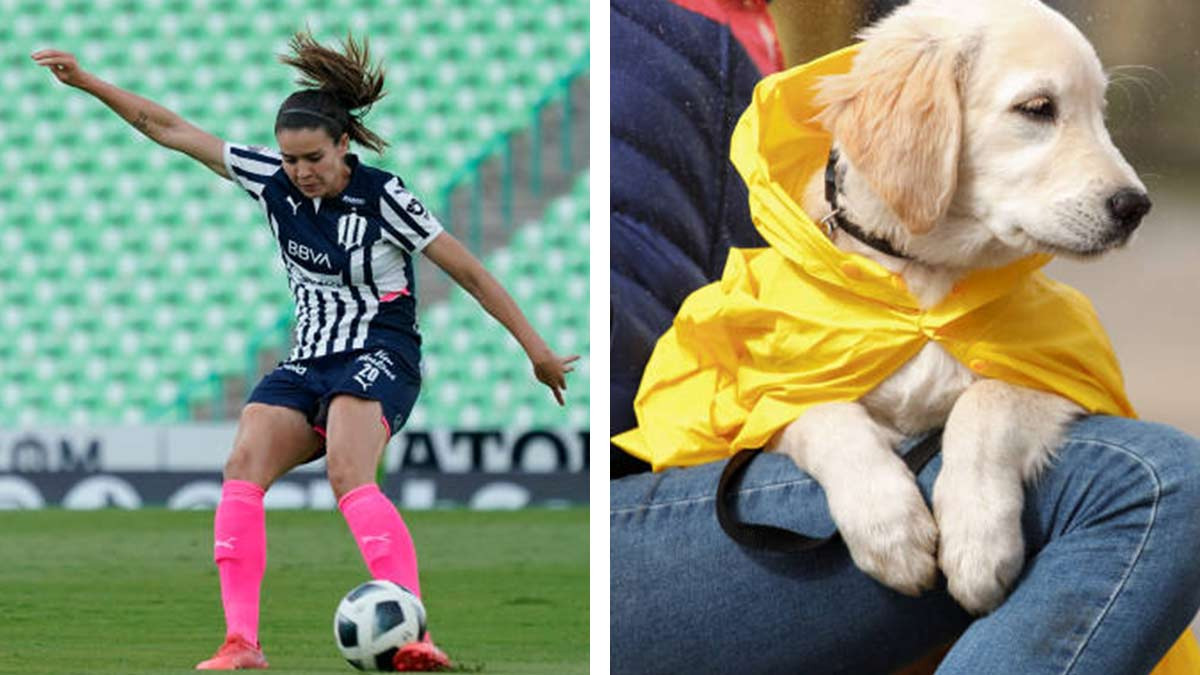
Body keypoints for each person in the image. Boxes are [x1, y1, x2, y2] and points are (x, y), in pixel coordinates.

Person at [608, 1, 1200, 673]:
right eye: (1038, 110)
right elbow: (713, 402)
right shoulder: (657, 44)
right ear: (911, 127)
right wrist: (828, 439)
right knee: (1155, 481)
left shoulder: (735, 40)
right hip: (615, 538)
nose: (1123, 180)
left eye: (1097, 115)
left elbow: (1056, 380)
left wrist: (987, 432)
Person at [34, 31, 578, 671]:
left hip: (381, 351)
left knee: (347, 470)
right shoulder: (271, 181)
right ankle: (242, 644)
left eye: (313, 157)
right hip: (310, 357)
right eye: (292, 160)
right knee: (243, 463)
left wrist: (536, 350)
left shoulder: (384, 197)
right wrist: (89, 81)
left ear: (343, 144)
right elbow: (169, 127)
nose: (301, 171)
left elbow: (472, 273)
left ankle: (414, 639)